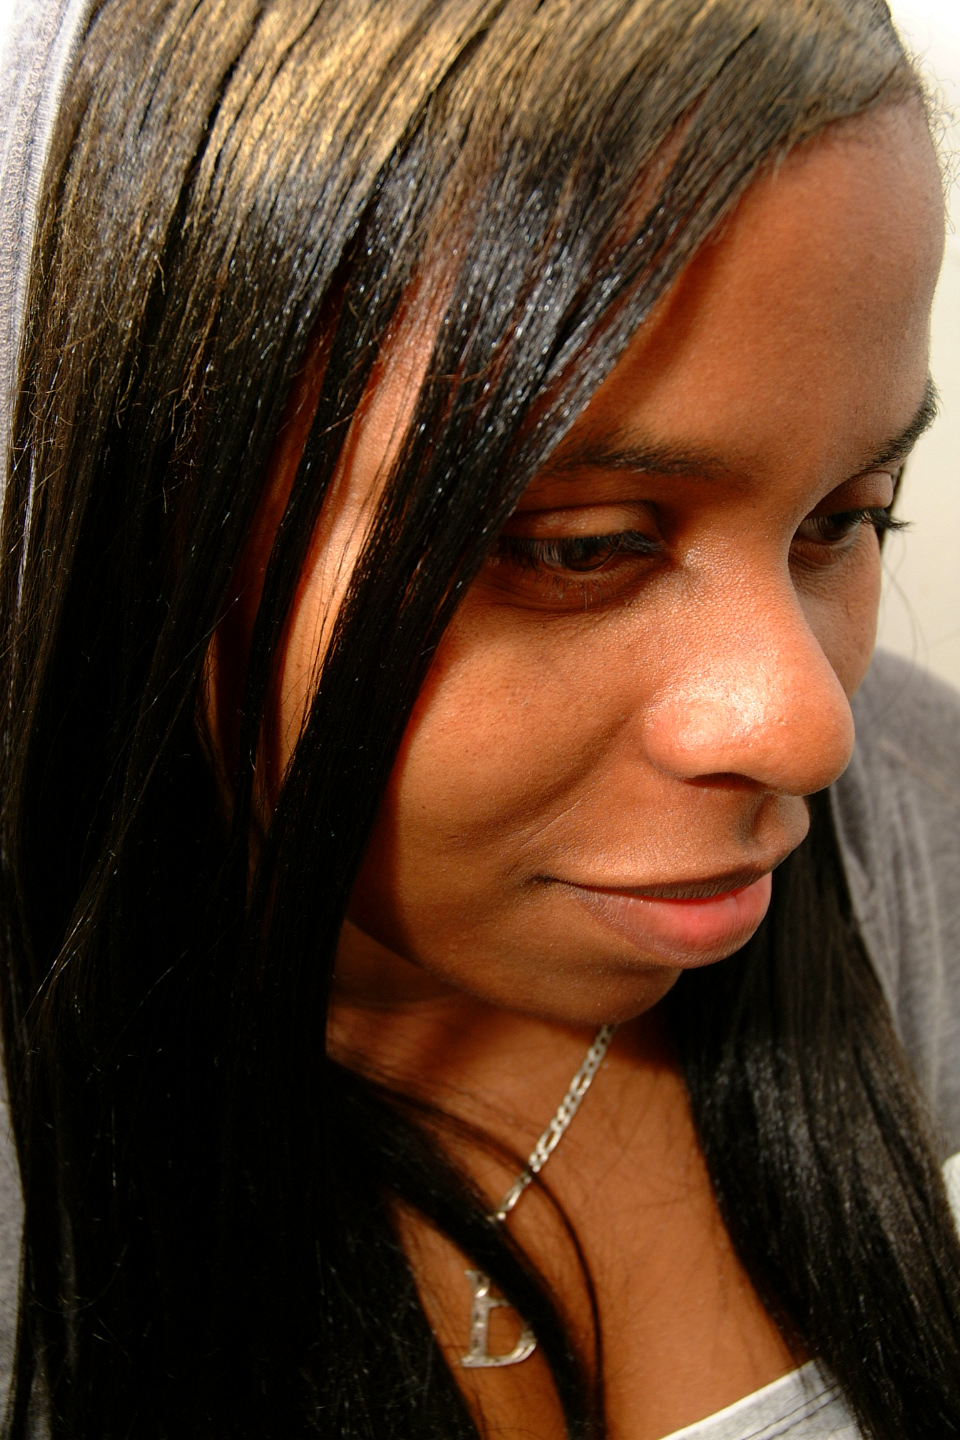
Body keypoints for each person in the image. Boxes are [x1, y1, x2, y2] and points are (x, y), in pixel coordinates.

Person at [1, 0, 960, 1436]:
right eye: (583, 546)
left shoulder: (925, 839)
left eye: (844, 520)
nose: (806, 731)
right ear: (145, 508)